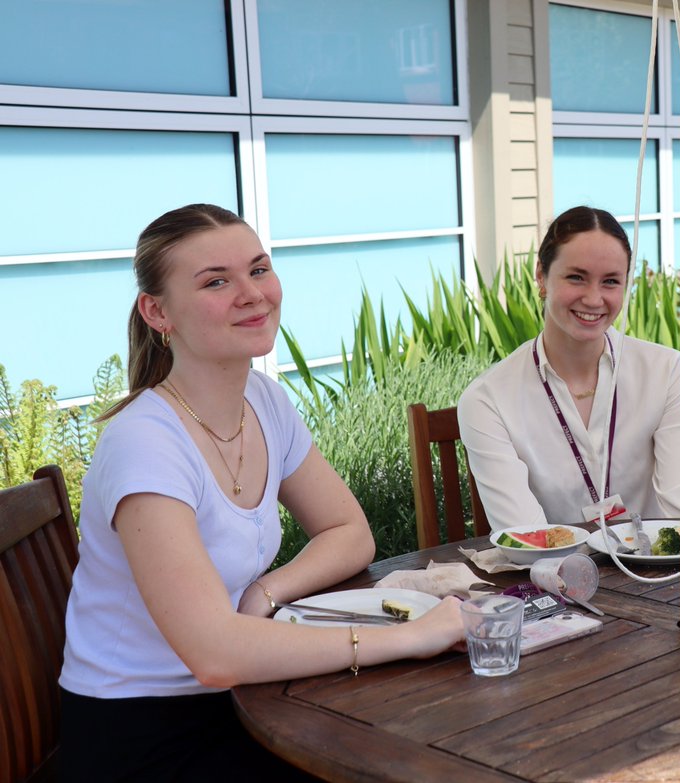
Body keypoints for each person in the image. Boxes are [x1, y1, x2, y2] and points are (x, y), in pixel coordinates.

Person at [58, 204, 466, 782]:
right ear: (158, 311)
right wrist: (409, 637)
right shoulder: (144, 444)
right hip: (146, 733)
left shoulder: (264, 400)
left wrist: (266, 592)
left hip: (248, 694)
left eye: (258, 269)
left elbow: (350, 534)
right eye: (216, 281)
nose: (252, 293)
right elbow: (214, 655)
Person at [458, 206, 680, 528]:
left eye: (610, 281)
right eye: (576, 277)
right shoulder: (488, 400)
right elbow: (526, 537)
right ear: (541, 275)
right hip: (551, 575)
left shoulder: (668, 373)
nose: (593, 299)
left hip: (656, 571)